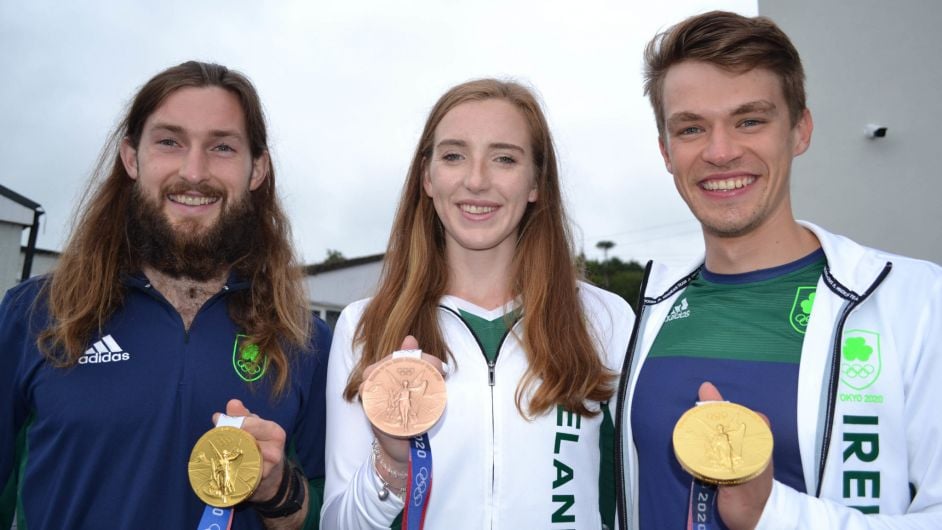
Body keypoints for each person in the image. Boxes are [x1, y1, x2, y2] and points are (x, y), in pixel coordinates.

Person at [614, 10, 942, 530]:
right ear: (666, 152)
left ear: (800, 130)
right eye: (692, 128)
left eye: (750, 120)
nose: (721, 152)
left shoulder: (918, 303)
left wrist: (775, 515)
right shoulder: (639, 317)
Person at [0, 61, 330, 529]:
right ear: (132, 158)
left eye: (221, 146)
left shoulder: (306, 341)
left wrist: (280, 492)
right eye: (169, 142)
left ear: (256, 168)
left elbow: (335, 511)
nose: (194, 172)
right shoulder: (34, 315)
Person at [322, 79, 633, 529]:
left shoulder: (604, 318)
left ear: (536, 184)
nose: (476, 180)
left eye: (504, 158)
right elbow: (339, 524)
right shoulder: (365, 324)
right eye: (454, 156)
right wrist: (392, 459)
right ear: (427, 178)